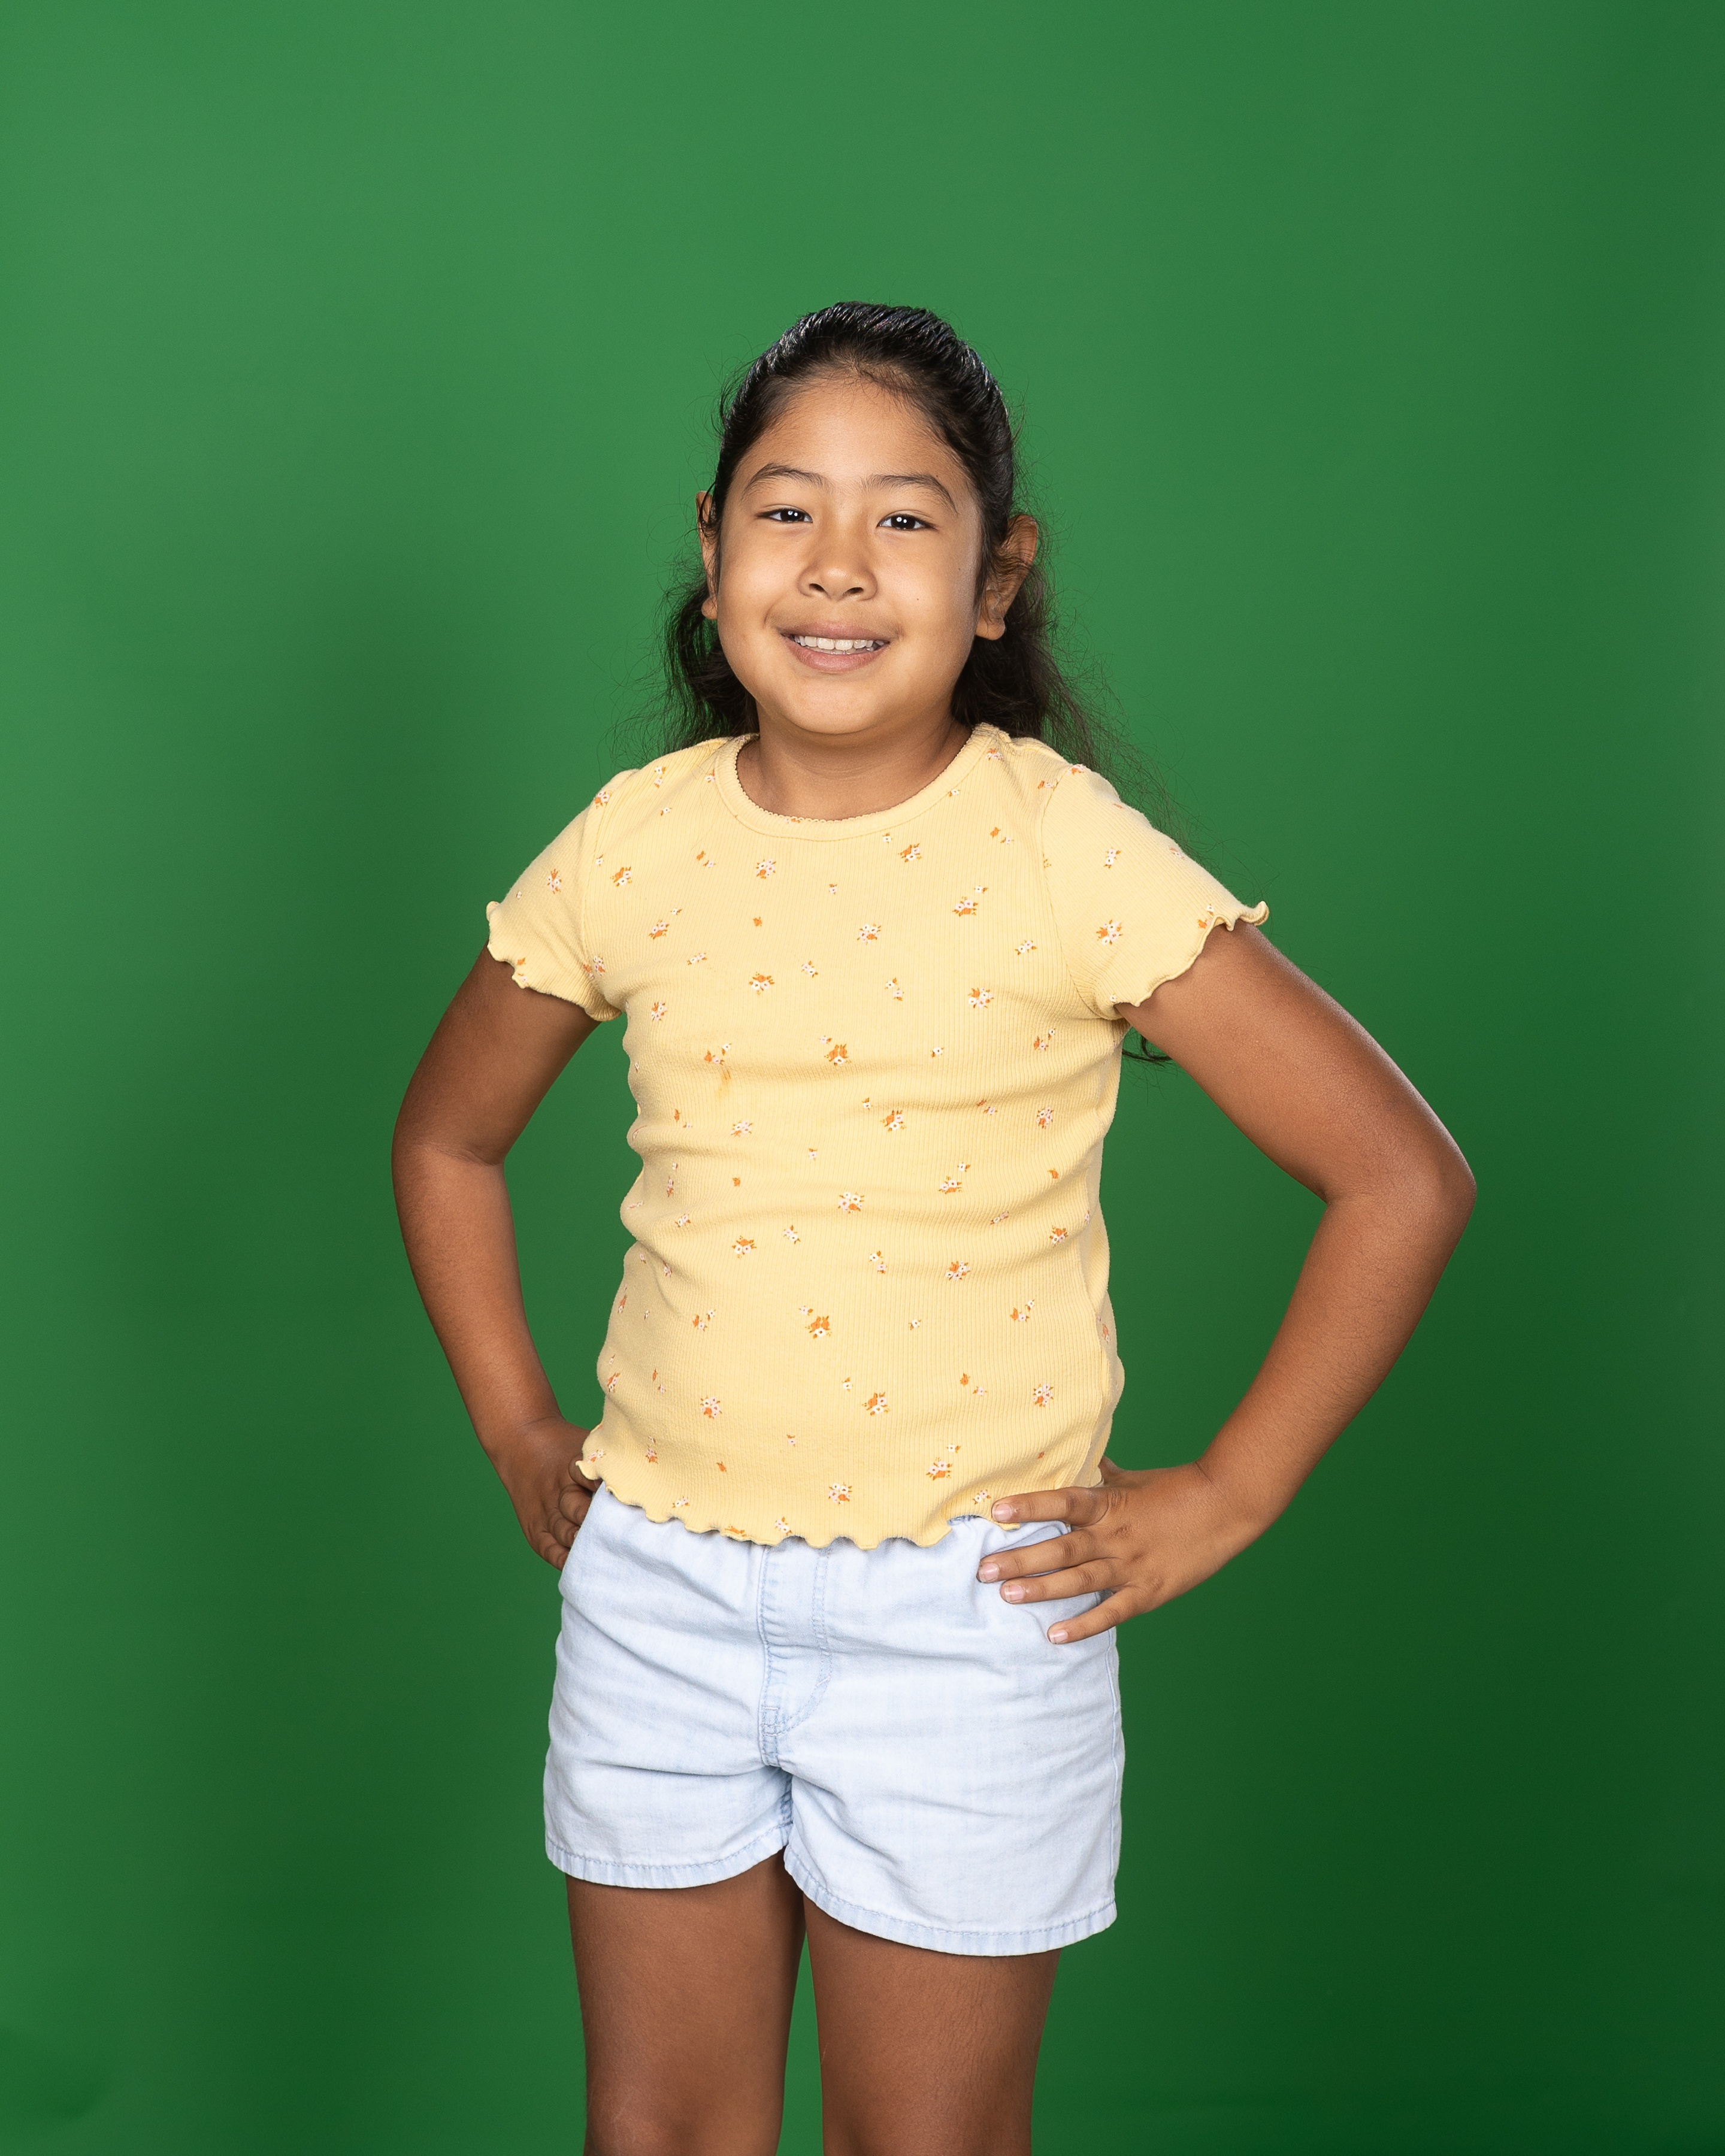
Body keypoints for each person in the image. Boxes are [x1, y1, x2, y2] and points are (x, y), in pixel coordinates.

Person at [392, 302, 1475, 2156]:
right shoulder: (633, 845)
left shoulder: (1065, 851)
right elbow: (447, 1139)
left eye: (905, 518)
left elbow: (1399, 1174)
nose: (837, 564)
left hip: (965, 1620)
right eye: (784, 510)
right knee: (659, 2134)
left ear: (996, 581)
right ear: (714, 550)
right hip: (659, 1600)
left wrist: (1233, 1489)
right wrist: (512, 1419)